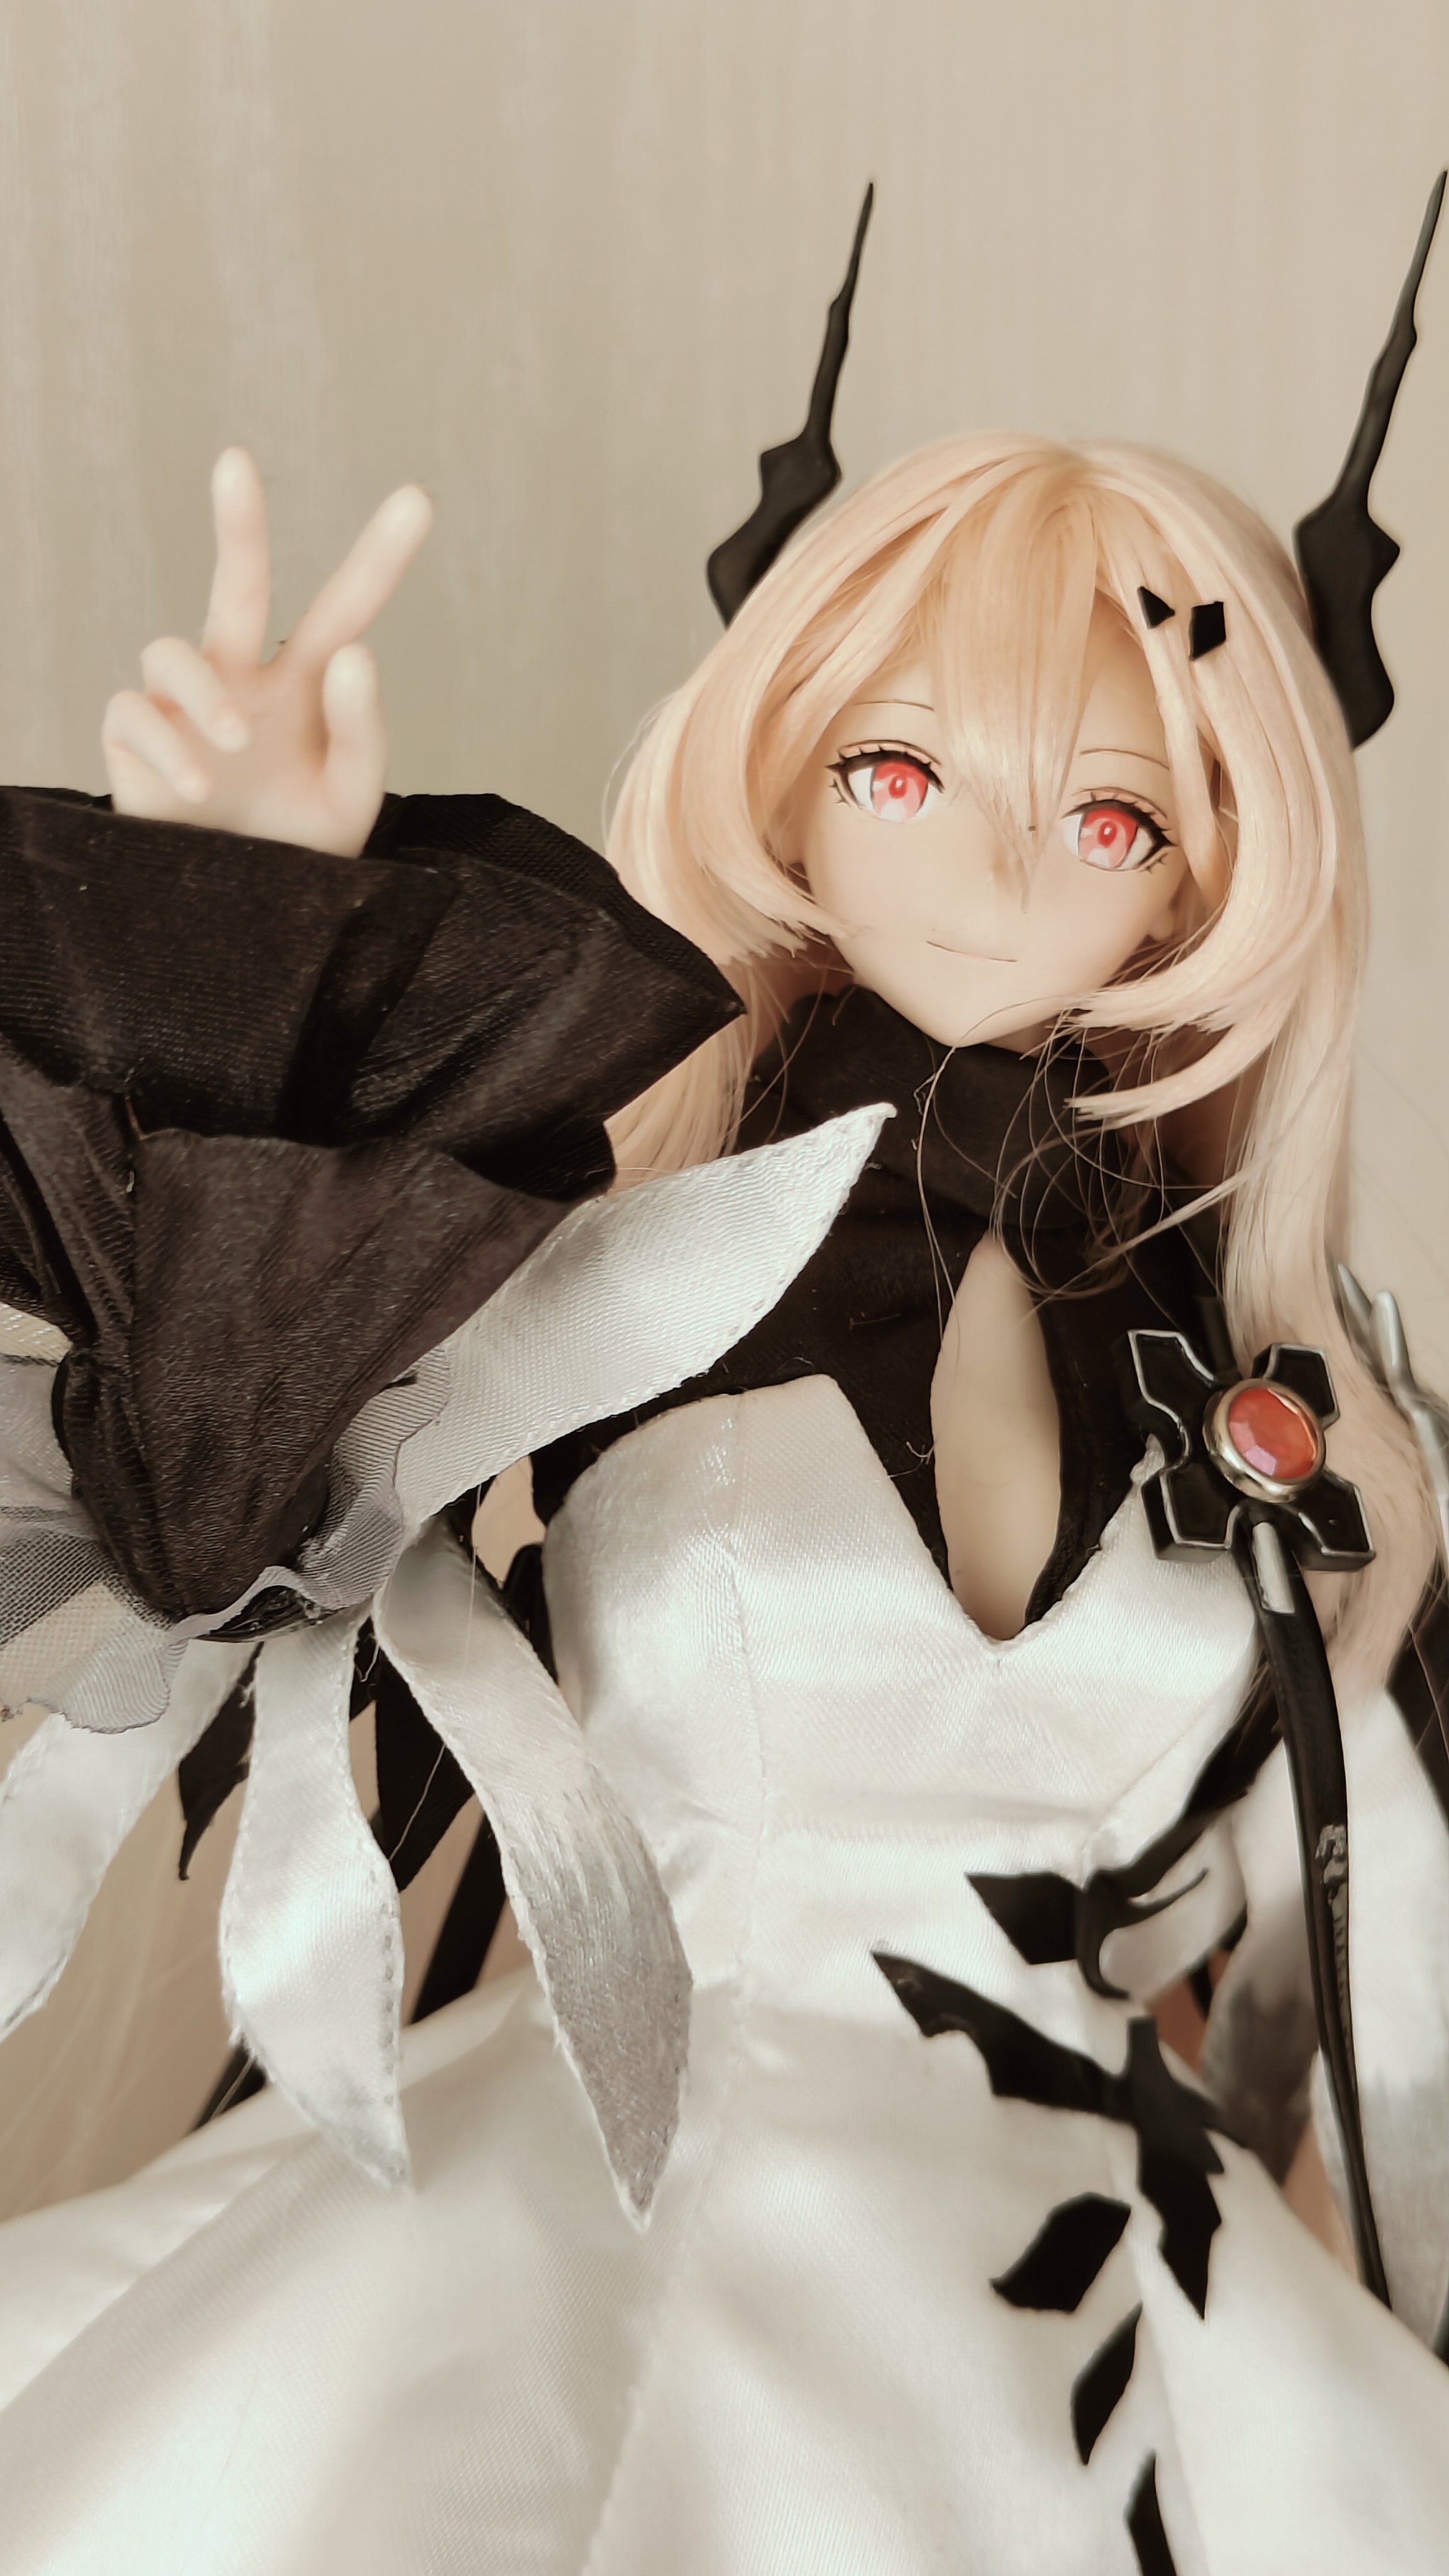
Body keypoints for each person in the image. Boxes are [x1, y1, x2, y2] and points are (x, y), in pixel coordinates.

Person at [1, 376, 1449, 2568]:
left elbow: (1331, 1978)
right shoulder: (608, 1244)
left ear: (1206, 880)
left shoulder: (1272, 1386)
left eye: (1108, 816)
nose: (989, 872)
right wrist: (246, 920)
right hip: (621, 2167)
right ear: (785, 771)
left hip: (1119, 2283)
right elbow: (208, 1508)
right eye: (902, 771)